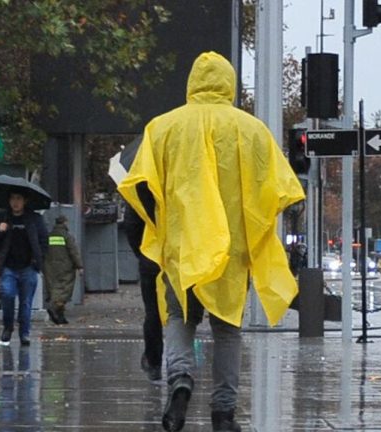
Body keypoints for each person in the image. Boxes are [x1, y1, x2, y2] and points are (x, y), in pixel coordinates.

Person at [118, 52, 304, 432]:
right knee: (227, 330)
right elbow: (277, 189)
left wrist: (157, 229)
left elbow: (138, 186)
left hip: (182, 248)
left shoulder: (163, 128)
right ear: (229, 84)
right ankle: (224, 412)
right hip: (231, 252)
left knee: (179, 318)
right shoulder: (252, 130)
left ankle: (180, 379)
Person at [0, 189, 48, 346]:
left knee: (26, 302)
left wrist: (37, 261)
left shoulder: (35, 219)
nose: (15, 202)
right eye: (12, 198)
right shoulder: (1, 218)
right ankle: (8, 327)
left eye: (19, 198)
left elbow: (43, 241)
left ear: (25, 201)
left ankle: (24, 333)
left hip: (28, 267)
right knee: (7, 295)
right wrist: (0, 231)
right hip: (8, 267)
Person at [122, 202, 163, 382]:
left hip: (151, 256)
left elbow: (131, 224)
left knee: (153, 312)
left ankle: (154, 362)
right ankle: (181, 366)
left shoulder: (141, 187)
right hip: (179, 256)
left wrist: (142, 252)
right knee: (180, 313)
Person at [43, 215, 83, 325]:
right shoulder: (67, 236)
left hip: (49, 267)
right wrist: (79, 266)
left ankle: (60, 317)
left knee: (53, 288)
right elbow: (74, 252)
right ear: (65, 222)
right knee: (64, 290)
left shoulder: (49, 236)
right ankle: (54, 308)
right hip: (65, 267)